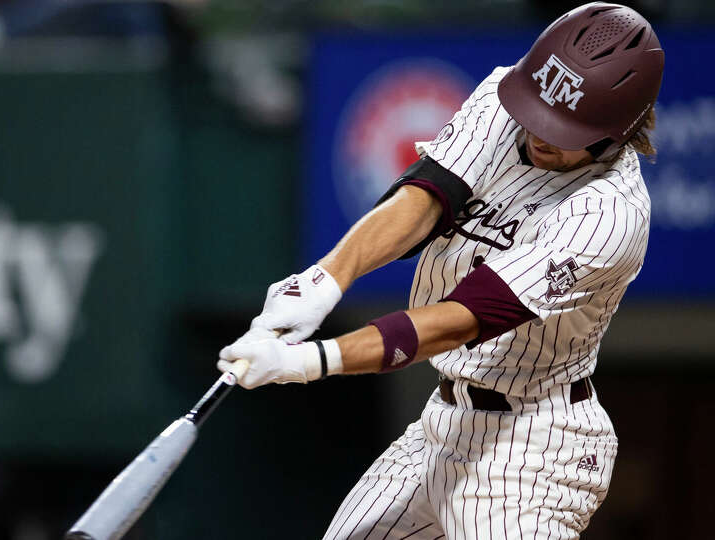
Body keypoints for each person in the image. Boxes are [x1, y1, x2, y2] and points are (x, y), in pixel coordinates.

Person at [216, 3, 663, 538]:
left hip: (535, 447)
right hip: (442, 424)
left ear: (617, 130)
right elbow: (427, 197)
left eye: (564, 126)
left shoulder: (610, 212)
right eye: (537, 110)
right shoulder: (503, 96)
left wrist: (312, 360)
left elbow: (459, 318)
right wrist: (324, 279)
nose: (541, 131)